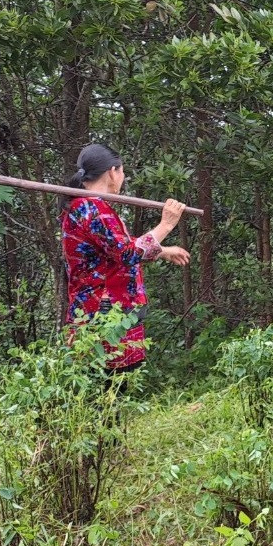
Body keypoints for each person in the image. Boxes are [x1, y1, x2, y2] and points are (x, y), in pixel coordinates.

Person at [62, 144, 189, 374]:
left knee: (110, 388)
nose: (123, 177)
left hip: (100, 308)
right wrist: (167, 224)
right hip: (104, 311)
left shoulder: (87, 206)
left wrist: (163, 250)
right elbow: (127, 253)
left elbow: (115, 250)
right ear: (112, 172)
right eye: (122, 171)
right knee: (109, 387)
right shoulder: (92, 209)